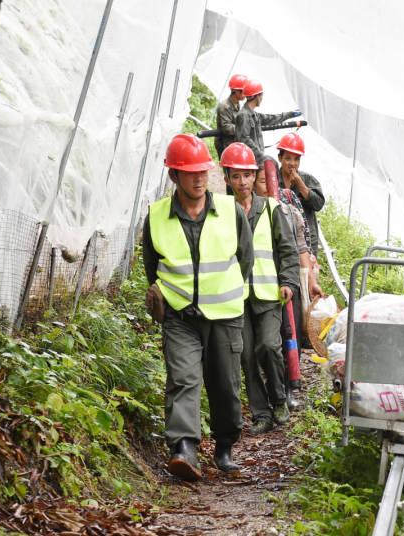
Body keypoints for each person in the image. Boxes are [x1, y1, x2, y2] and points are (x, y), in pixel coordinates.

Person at [142, 134, 253, 481]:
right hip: (180, 316)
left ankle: (224, 446)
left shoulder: (230, 212)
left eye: (203, 170)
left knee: (224, 384)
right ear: (174, 176)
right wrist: (174, 298)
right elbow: (152, 267)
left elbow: (244, 260)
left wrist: (220, 291)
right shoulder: (157, 216)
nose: (200, 178)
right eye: (190, 172)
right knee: (183, 379)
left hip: (224, 315)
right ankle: (184, 449)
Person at [222, 142, 300, 434]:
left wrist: (288, 282)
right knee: (246, 355)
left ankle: (279, 398)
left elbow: (288, 249)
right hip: (236, 296)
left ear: (255, 176)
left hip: (268, 294)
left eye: (247, 175)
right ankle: (260, 414)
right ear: (227, 178)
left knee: (268, 346)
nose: (242, 182)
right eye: (236, 176)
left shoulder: (270, 208)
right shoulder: (222, 212)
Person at [255, 161, 323, 408]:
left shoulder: (289, 209)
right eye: (262, 181)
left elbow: (302, 248)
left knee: (289, 333)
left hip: (287, 282)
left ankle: (291, 386)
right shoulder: (246, 212)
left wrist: (311, 282)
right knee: (266, 342)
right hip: (260, 285)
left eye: (267, 181)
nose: (267, 186)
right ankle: (273, 387)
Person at [276, 132, 325, 256]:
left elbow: (318, 204)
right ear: (280, 158)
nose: (292, 163)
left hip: (306, 241)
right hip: (281, 238)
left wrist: (301, 185)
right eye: (288, 158)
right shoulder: (273, 179)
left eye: (296, 159)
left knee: (306, 273)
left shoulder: (307, 179)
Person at [235, 79, 301, 165]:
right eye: (261, 95)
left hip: (255, 159)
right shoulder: (243, 115)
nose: (262, 98)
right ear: (257, 96)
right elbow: (244, 139)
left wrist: (290, 114)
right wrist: (260, 155)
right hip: (249, 160)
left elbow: (271, 119)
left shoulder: (254, 114)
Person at [215, 74, 248, 159]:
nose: (245, 94)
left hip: (233, 143)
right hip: (225, 144)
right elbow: (227, 128)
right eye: (243, 91)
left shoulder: (237, 104)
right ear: (235, 91)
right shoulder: (224, 106)